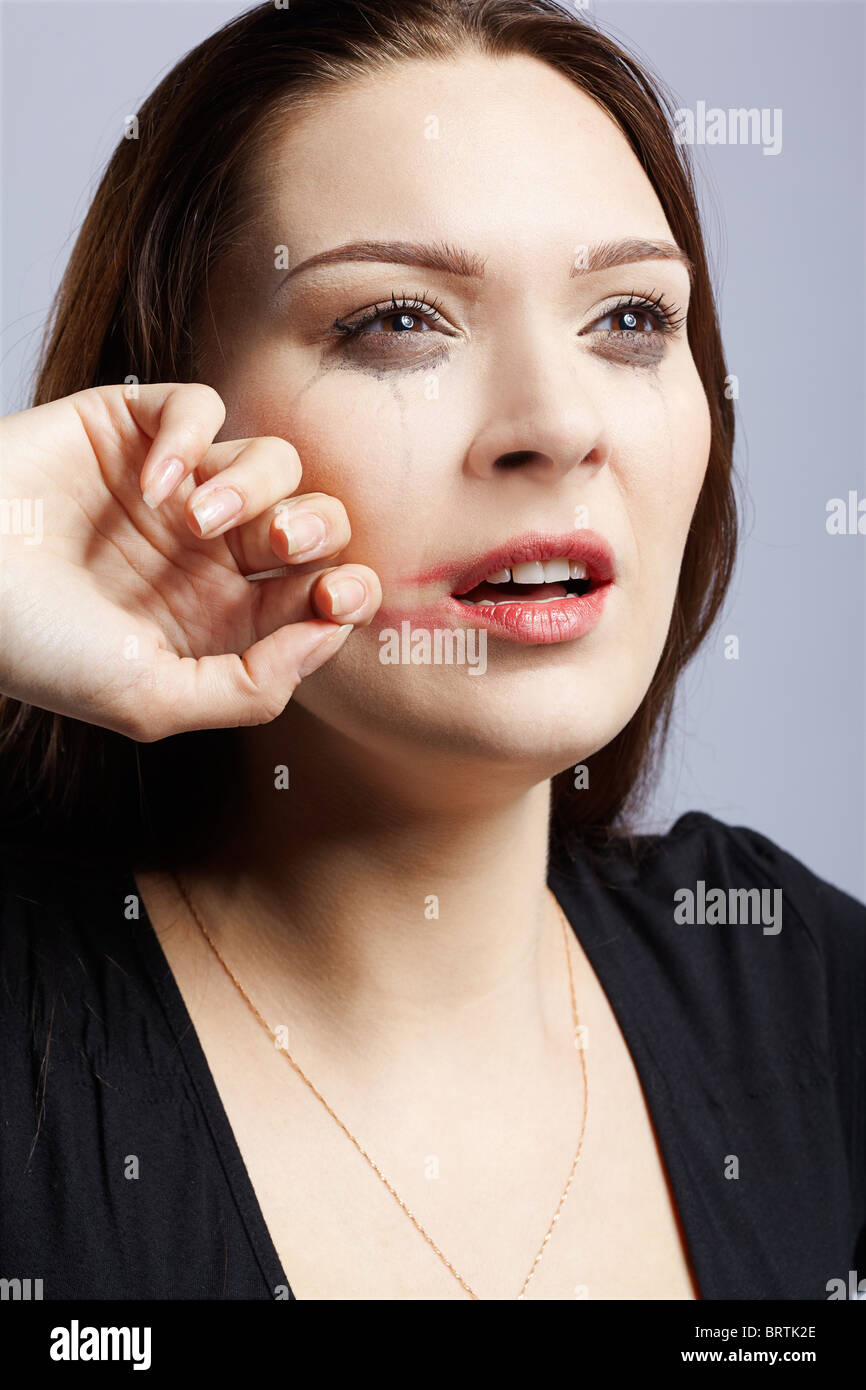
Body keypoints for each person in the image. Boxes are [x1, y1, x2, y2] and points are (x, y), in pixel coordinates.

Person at [0, 0, 863, 1302]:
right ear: (165, 412)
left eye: (629, 318)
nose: (557, 424)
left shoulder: (798, 985)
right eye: (399, 320)